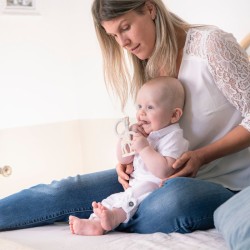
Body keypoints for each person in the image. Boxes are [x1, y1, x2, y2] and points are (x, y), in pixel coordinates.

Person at [0, 0, 249, 235]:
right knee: (64, 191)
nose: (123, 42)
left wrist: (201, 156)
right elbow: (152, 129)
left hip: (225, 182)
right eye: (114, 36)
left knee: (174, 201)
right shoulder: (149, 61)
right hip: (155, 176)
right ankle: (113, 215)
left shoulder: (211, 45)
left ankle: (111, 218)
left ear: (150, 8)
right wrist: (129, 160)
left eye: (125, 27)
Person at [69, 76, 189, 235]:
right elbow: (124, 159)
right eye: (139, 106)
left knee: (132, 198)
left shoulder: (174, 137)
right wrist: (126, 137)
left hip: (154, 189)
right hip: (134, 188)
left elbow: (164, 171)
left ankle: (112, 219)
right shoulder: (146, 134)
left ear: (174, 115)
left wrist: (145, 148)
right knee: (112, 201)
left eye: (150, 107)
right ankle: (96, 223)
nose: (141, 113)